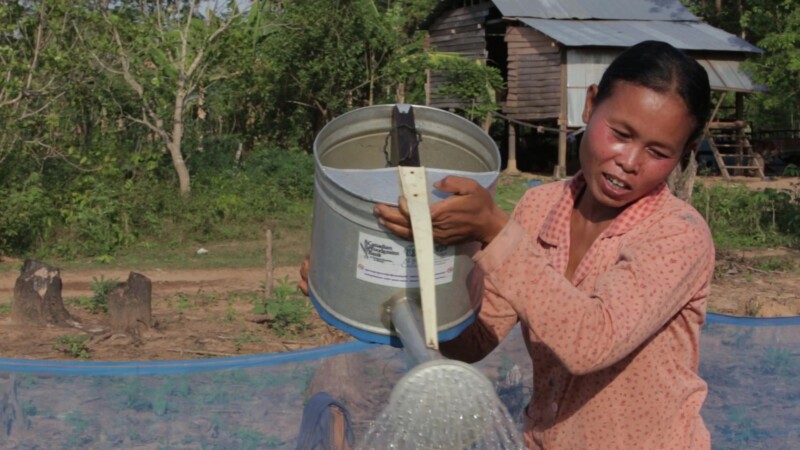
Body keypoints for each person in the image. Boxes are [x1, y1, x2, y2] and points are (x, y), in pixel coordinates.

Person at [300, 40, 714, 449]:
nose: (630, 161)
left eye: (657, 151)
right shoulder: (540, 208)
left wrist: (494, 232)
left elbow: (591, 341)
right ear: (590, 105)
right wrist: (373, 292)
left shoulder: (677, 234)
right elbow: (474, 339)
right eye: (620, 134)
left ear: (685, 153)